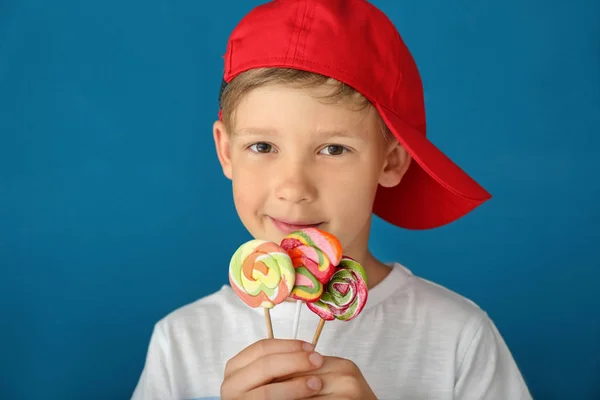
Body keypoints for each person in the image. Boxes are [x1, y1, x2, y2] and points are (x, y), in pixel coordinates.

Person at [131, 0, 532, 399]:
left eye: (334, 149)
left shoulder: (459, 336)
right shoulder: (179, 341)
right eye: (263, 146)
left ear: (389, 161)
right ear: (226, 151)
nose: (294, 187)